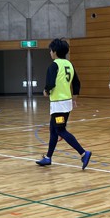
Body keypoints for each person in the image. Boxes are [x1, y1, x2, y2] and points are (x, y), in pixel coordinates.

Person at [35, 38, 92, 169]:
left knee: (60, 130)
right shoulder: (69, 64)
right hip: (65, 103)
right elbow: (76, 83)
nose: (50, 53)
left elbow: (50, 83)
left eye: (50, 50)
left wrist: (45, 91)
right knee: (53, 130)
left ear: (54, 51)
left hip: (59, 104)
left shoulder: (54, 65)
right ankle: (48, 158)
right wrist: (75, 98)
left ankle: (83, 153)